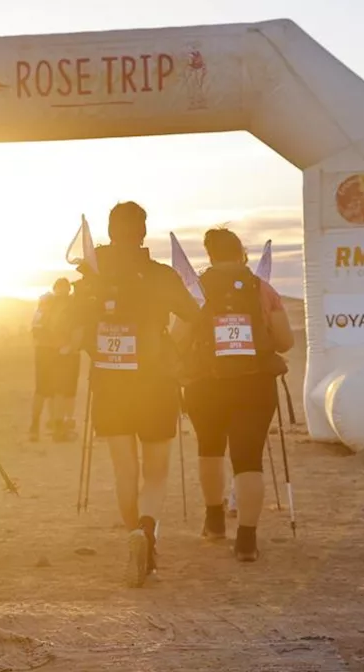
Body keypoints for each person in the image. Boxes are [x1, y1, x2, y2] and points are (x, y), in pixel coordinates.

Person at [72, 201, 199, 588]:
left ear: (111, 232)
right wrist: (173, 349)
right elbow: (195, 316)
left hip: (110, 382)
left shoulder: (90, 278)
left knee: (124, 468)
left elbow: (74, 328)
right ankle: (146, 531)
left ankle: (135, 536)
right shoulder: (161, 275)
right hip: (156, 380)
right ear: (143, 232)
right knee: (156, 470)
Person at [177, 227, 293, 562]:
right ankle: (246, 540)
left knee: (209, 449)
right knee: (248, 459)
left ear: (209, 254)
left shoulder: (196, 290)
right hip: (254, 384)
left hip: (203, 384)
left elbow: (179, 337)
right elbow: (285, 341)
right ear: (240, 252)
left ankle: (214, 522)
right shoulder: (261, 288)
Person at [30, 278, 79, 442]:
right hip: (60, 351)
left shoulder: (44, 303)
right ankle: (59, 430)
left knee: (41, 391)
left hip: (42, 351)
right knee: (59, 391)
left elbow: (35, 328)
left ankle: (34, 427)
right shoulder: (70, 304)